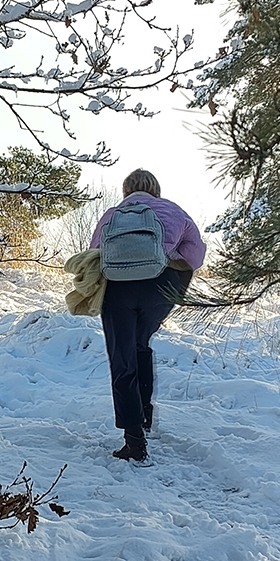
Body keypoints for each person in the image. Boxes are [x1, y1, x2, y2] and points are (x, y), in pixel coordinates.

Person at [90, 169, 206, 463]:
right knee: (142, 343)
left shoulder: (114, 214)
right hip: (160, 286)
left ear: (126, 190)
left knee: (122, 357)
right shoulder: (173, 211)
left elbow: (94, 251)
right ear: (156, 189)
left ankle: (134, 441)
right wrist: (168, 266)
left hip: (118, 289)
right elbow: (195, 255)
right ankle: (145, 414)